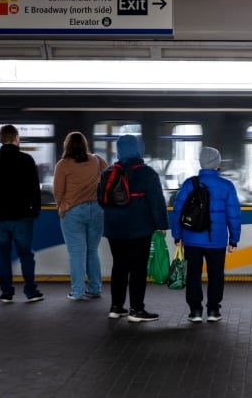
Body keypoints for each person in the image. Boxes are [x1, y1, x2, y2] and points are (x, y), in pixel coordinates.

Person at [98, 134, 169, 322]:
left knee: (119, 266)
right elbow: (157, 202)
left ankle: (116, 307)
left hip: (114, 230)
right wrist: (161, 224)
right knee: (138, 269)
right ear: (139, 149)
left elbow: (100, 200)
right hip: (139, 229)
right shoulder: (146, 172)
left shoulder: (109, 172)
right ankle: (136, 309)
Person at [171, 147, 242, 323]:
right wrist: (234, 239)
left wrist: (177, 236)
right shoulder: (226, 186)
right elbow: (234, 214)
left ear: (201, 163)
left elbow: (178, 211)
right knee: (216, 274)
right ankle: (213, 310)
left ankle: (195, 311)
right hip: (216, 240)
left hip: (191, 238)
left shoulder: (189, 184)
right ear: (217, 164)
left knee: (193, 274)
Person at [0, 124, 44, 303]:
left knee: (3, 255)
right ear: (16, 138)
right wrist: (35, 210)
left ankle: (6, 293)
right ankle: (31, 291)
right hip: (23, 216)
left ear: (1, 139)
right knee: (26, 255)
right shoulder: (26, 159)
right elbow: (34, 189)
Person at [53, 131, 108, 301]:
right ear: (85, 144)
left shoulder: (63, 165)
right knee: (92, 251)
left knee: (77, 253)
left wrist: (62, 207)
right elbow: (109, 178)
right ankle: (95, 289)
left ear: (67, 146)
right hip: (97, 210)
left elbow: (58, 191)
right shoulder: (97, 160)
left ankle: (77, 292)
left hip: (73, 211)